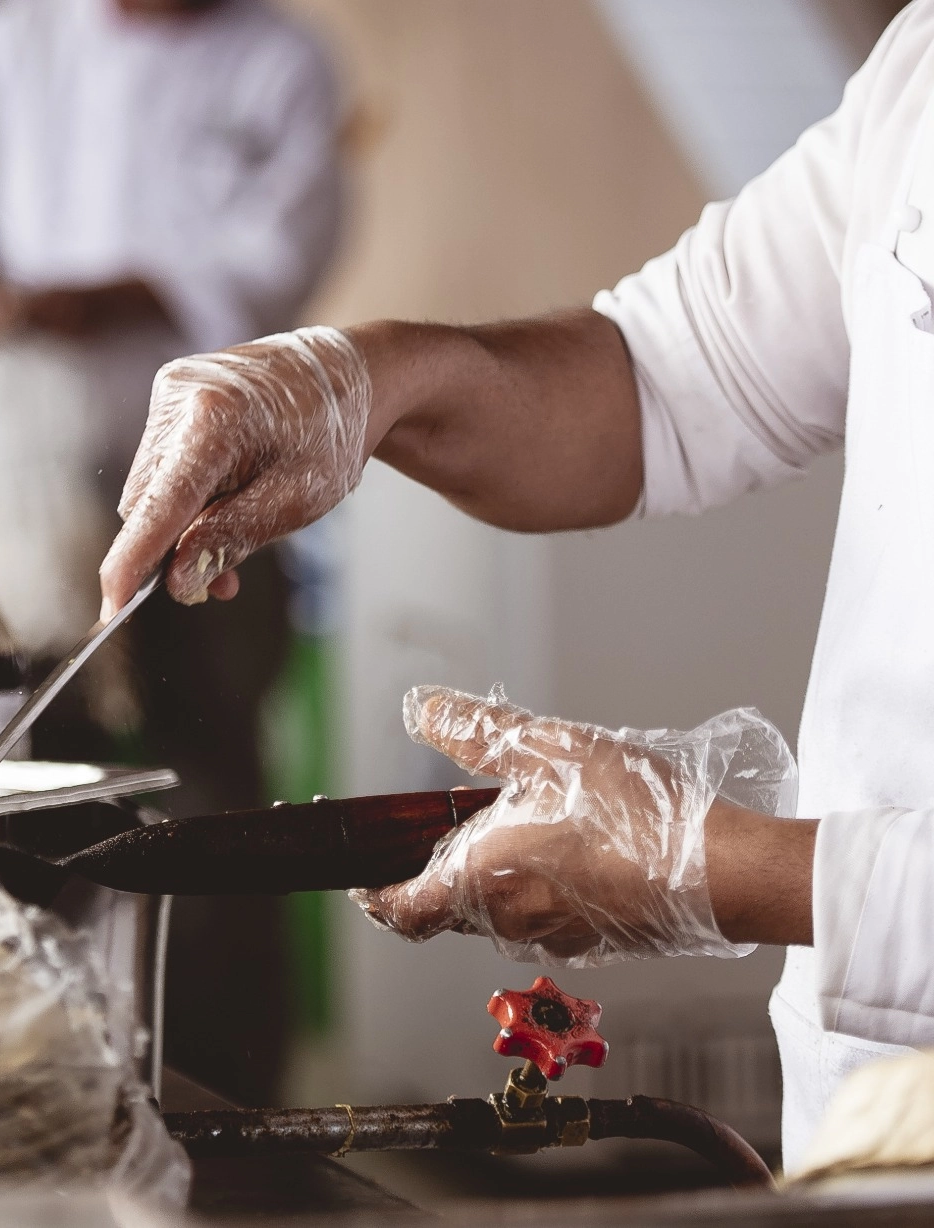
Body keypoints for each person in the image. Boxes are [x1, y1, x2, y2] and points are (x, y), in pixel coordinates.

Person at [100, 2, 934, 1166]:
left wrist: (718, 869)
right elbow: (658, 380)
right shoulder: (920, 68)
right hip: (867, 1093)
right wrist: (366, 374)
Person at [0, 0, 343, 1105]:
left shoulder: (278, 60)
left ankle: (226, 1104)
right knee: (14, 779)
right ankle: (34, 1085)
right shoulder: (5, 47)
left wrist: (110, 296)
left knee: (214, 794)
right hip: (29, 499)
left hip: (223, 485)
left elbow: (280, 251)